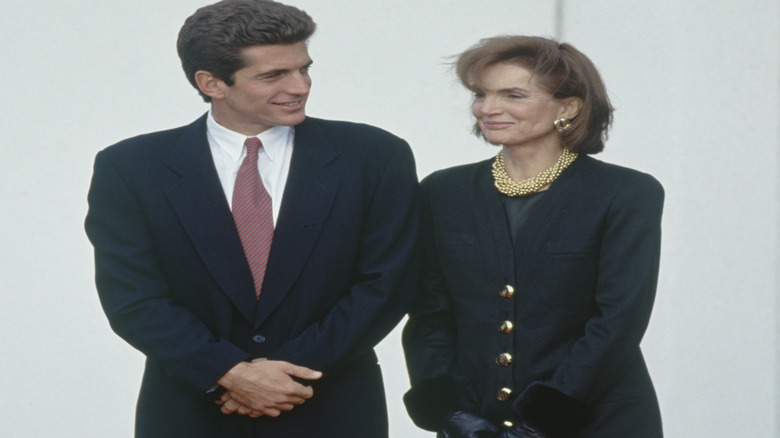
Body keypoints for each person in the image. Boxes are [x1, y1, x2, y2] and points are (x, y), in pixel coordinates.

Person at [84, 1, 419, 437]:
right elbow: (133, 296)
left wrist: (283, 378)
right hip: (192, 409)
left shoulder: (375, 155)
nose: (300, 86)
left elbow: (387, 284)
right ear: (211, 83)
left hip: (331, 407)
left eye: (304, 68)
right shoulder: (130, 167)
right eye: (274, 75)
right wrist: (228, 372)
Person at [402, 35, 664, 438]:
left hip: (596, 420)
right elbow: (430, 315)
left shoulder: (626, 193)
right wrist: (451, 412)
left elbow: (618, 321)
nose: (488, 108)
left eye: (513, 95)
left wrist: (545, 419)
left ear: (569, 107)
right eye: (480, 94)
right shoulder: (442, 191)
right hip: (477, 422)